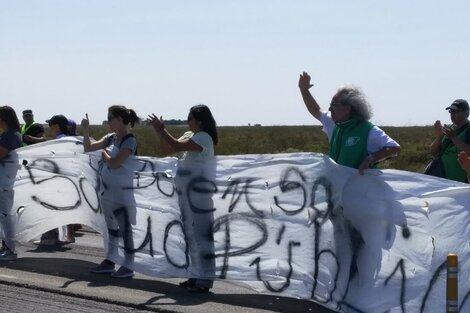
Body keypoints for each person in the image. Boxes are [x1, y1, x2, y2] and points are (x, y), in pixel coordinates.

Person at [148, 104, 218, 293]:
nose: (188, 122)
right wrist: (160, 133)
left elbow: (178, 146)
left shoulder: (204, 137)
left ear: (200, 121)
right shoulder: (190, 135)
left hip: (200, 196)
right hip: (187, 195)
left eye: (190, 119)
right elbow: (169, 150)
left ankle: (205, 279)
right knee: (191, 236)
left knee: (202, 236)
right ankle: (195, 274)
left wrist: (162, 130)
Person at [298, 72, 401, 174]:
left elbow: (394, 148)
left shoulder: (368, 130)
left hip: (361, 188)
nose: (330, 109)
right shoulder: (334, 123)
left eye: (334, 105)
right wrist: (304, 90)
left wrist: (371, 159)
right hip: (337, 186)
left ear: (348, 108)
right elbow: (316, 110)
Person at [81, 105, 139, 279]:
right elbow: (88, 148)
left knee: (125, 229)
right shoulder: (111, 138)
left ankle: (129, 264)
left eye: (110, 118)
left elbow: (115, 163)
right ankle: (111, 260)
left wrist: (105, 155)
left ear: (120, 119)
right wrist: (85, 130)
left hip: (123, 193)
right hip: (109, 192)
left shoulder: (129, 140)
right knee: (112, 228)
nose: (108, 122)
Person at [34, 114, 75, 246]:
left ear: (56, 125)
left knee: (52, 207)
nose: (50, 127)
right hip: (67, 179)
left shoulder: (61, 140)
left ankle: (52, 237)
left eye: (51, 124)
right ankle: (67, 235)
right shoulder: (67, 139)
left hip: (59, 178)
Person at [0, 106, 23, 261]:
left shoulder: (12, 136)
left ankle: (10, 250)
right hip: (3, 183)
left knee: (5, 217)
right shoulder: (7, 135)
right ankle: (5, 247)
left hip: (4, 185)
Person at [429, 99, 470, 182]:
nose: (452, 114)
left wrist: (453, 138)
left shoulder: (468, 130)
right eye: (451, 111)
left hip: (458, 180)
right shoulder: (448, 128)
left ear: (466, 113)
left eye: (456, 111)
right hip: (441, 176)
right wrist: (439, 136)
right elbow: (433, 152)